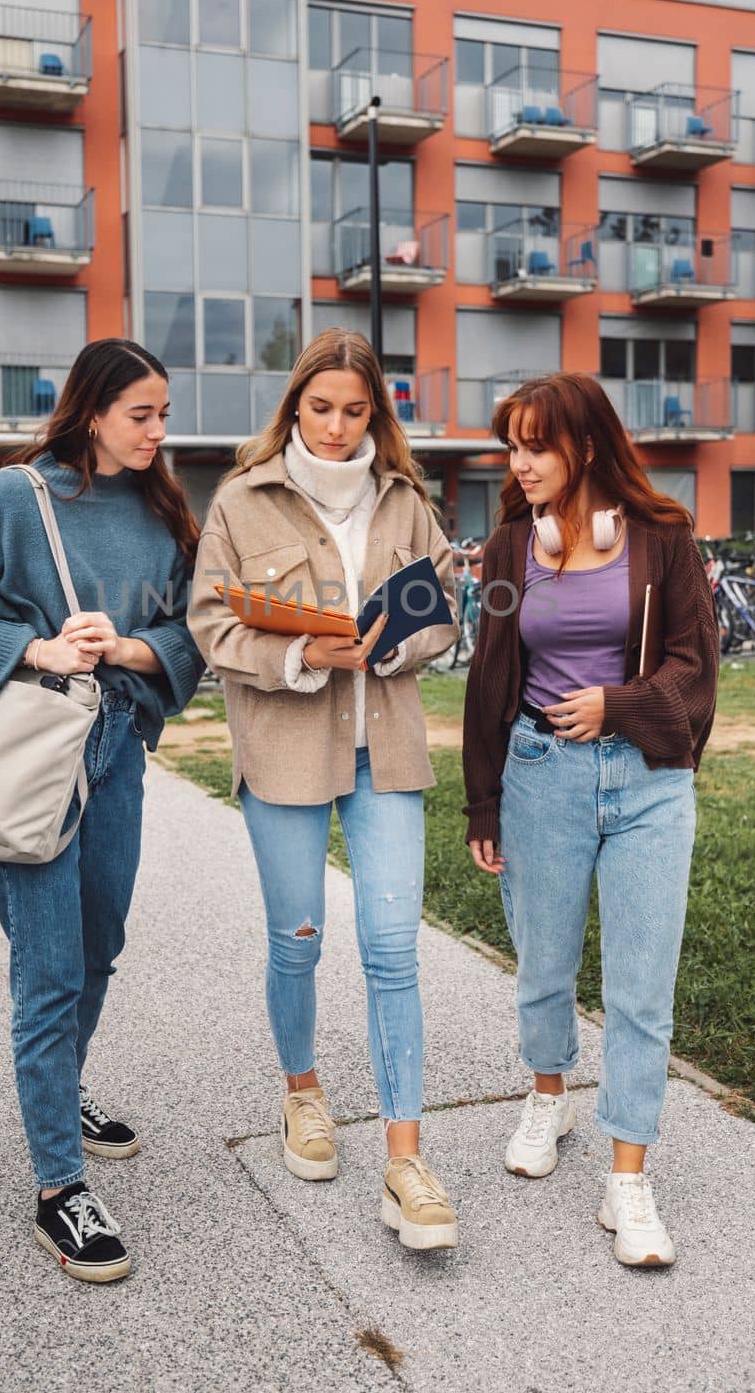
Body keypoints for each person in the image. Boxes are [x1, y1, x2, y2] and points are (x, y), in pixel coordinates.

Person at [0, 340, 204, 1283]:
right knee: (48, 971)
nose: (159, 431)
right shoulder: (16, 498)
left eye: (162, 413)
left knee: (101, 942)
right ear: (92, 411)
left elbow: (187, 629)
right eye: (141, 414)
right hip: (37, 758)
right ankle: (57, 1189)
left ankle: (59, 1090)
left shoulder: (162, 511)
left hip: (118, 759)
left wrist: (128, 649)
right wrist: (40, 650)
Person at [188, 329, 461, 1251]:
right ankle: (302, 1094)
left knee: (392, 950)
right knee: (297, 939)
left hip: (384, 753)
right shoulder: (241, 502)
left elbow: (444, 615)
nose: (338, 428)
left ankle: (405, 1159)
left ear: (375, 412)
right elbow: (210, 627)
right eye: (321, 408)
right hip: (286, 752)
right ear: (293, 407)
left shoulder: (404, 503)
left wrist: (392, 643)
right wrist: (302, 653)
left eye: (355, 410)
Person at [462, 372, 718, 1268]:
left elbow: (694, 661)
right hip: (540, 779)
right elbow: (489, 671)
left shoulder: (662, 538)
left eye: (536, 445)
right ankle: (546, 1094)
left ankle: (628, 1179)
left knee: (641, 988)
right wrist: (483, 797)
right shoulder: (507, 552)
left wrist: (621, 704)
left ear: (586, 446)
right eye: (512, 446)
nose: (519, 462)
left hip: (647, 784)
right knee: (542, 966)